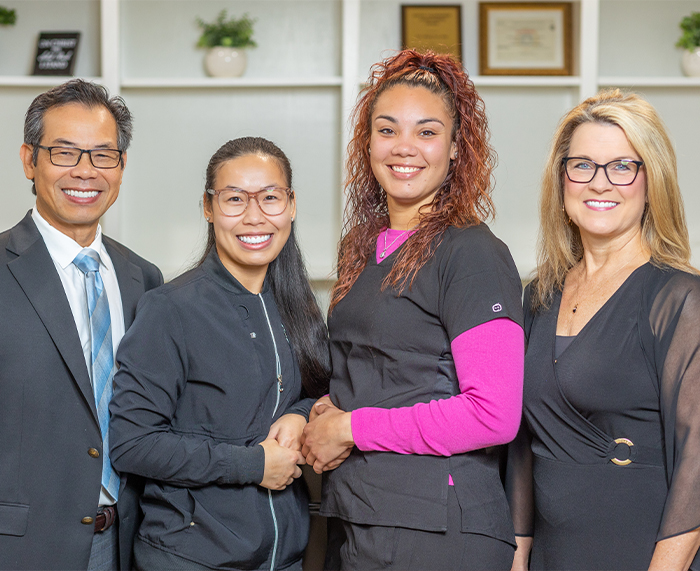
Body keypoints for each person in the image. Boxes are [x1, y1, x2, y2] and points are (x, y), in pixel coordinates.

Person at [301, 50, 525, 570]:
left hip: (437, 527)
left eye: (427, 132)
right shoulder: (363, 244)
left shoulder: (471, 252)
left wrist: (352, 427)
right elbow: (390, 367)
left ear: (455, 147)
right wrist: (323, 410)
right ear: (368, 143)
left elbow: (493, 414)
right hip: (358, 513)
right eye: (387, 130)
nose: (404, 148)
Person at [108, 137, 331, 571]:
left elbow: (318, 389)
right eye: (234, 199)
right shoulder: (170, 309)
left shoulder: (295, 303)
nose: (254, 216)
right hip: (190, 557)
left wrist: (300, 414)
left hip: (284, 559)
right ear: (208, 208)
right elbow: (133, 443)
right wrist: (252, 465)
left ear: (291, 205)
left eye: (270, 197)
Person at [506, 89, 700, 571]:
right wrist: (518, 555)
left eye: (621, 166)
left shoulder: (680, 299)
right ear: (562, 179)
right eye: (583, 165)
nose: (600, 183)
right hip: (554, 553)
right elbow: (524, 446)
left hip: (642, 548)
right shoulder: (538, 296)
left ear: (651, 181)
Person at [0, 79, 162, 571]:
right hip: (23, 546)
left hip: (130, 540)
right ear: (30, 160)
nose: (85, 172)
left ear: (122, 165)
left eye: (102, 155)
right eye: (64, 153)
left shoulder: (144, 278)